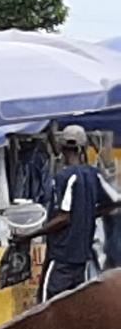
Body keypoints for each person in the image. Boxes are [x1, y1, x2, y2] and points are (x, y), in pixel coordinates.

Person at [18, 125, 121, 300]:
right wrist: (88, 213)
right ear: (83, 147)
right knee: (76, 311)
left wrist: (29, 235)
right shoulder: (94, 175)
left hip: (61, 259)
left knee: (45, 309)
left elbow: (63, 218)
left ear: (61, 147)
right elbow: (115, 202)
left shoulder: (64, 177)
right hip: (81, 260)